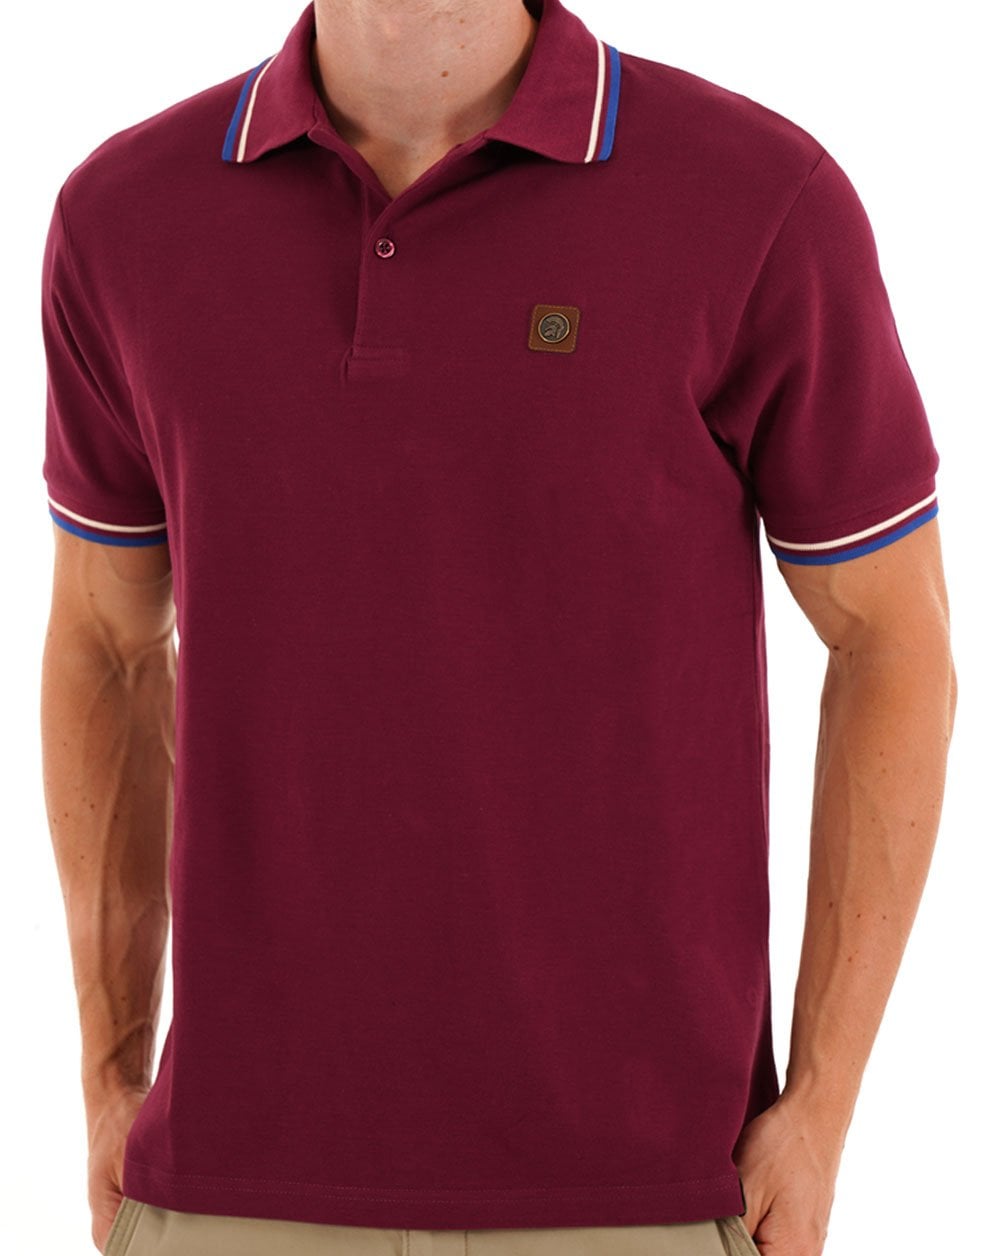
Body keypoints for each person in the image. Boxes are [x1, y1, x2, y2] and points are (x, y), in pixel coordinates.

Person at [39, 0, 957, 1253]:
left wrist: (823, 1105)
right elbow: (103, 641)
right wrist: (106, 1073)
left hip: (644, 1187)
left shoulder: (754, 198)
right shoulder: (125, 215)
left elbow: (890, 634)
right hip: (226, 1182)